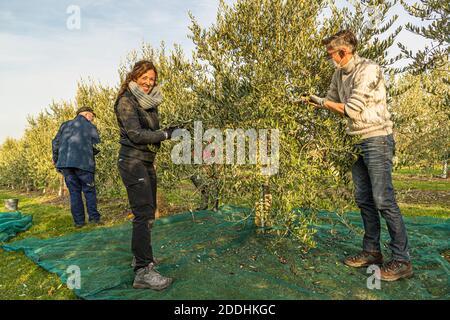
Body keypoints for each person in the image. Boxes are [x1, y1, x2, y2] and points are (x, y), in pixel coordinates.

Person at [308, 30, 413, 281]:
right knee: (364, 199)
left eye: (330, 54)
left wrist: (321, 102)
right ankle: (372, 251)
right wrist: (315, 101)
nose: (329, 58)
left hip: (377, 138)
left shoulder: (368, 70)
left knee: (383, 200)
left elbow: (352, 110)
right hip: (355, 140)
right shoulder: (338, 74)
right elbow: (332, 100)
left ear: (343, 52)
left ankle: (401, 260)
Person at [114, 60, 176, 290]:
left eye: (152, 79)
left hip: (146, 161)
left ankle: (141, 256)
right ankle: (142, 271)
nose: (149, 83)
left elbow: (150, 131)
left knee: (148, 212)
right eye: (145, 78)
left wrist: (169, 131)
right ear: (135, 76)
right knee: (142, 214)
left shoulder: (148, 102)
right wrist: (165, 134)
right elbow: (137, 135)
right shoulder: (126, 101)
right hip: (132, 161)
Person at [52, 106, 102, 228]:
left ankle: (79, 222)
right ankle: (94, 219)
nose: (92, 119)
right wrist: (92, 152)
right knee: (89, 191)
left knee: (74, 193)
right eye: (92, 116)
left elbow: (55, 143)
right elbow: (96, 143)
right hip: (83, 163)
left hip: (65, 164)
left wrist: (56, 159)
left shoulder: (65, 125)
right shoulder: (89, 126)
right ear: (86, 114)